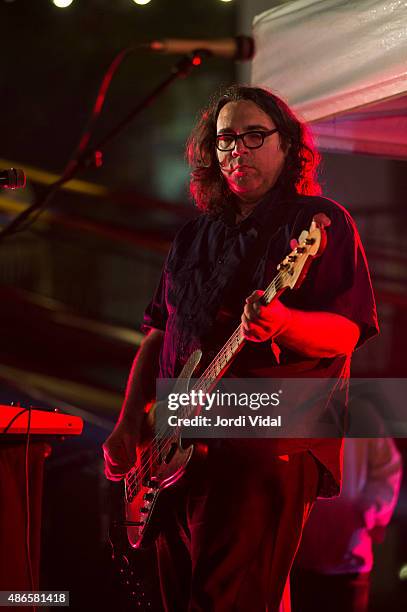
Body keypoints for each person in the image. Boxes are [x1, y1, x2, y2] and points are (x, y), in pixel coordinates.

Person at [103, 86, 379, 611]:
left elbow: (345, 333)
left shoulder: (319, 222)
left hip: (261, 443)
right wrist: (128, 425)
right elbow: (158, 334)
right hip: (174, 451)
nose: (238, 150)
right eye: (226, 139)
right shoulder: (192, 237)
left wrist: (283, 323)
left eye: (255, 135)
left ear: (287, 144)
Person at [291, 435, 402, 612]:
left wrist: (365, 513)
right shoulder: (305, 415)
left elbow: (389, 471)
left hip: (349, 560)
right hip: (302, 558)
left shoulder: (364, 418)